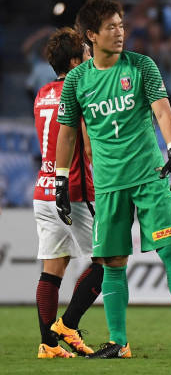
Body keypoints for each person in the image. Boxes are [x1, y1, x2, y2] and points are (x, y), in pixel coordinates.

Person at [54, 0, 171, 358]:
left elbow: (162, 112)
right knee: (112, 262)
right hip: (108, 184)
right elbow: (67, 133)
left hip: (148, 176)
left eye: (121, 25)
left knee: (170, 249)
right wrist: (59, 179)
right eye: (111, 27)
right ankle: (119, 342)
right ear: (91, 35)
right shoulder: (76, 81)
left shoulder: (141, 66)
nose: (120, 33)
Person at [34, 27, 102, 359]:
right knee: (107, 261)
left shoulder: (43, 92)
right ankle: (68, 325)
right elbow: (87, 147)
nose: (91, 59)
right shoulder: (80, 89)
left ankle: (48, 345)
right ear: (75, 61)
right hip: (74, 190)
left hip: (44, 188)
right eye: (88, 54)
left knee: (53, 267)